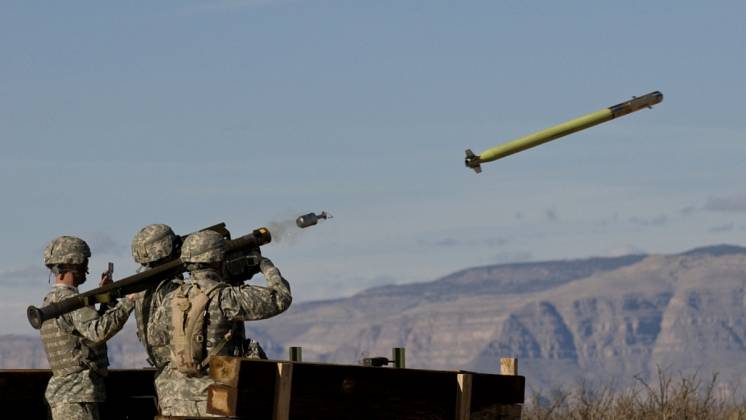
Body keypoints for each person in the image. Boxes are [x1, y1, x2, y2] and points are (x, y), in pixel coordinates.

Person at [148, 230, 292, 416]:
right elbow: (280, 298)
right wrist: (266, 266)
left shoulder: (171, 298)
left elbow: (155, 338)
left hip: (175, 400)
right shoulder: (225, 297)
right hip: (215, 400)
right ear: (218, 260)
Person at [39, 236, 135, 420]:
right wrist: (128, 302)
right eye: (85, 263)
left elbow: (86, 334)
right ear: (73, 263)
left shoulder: (50, 301)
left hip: (67, 394)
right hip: (77, 395)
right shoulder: (72, 302)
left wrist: (105, 298)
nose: (87, 270)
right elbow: (98, 331)